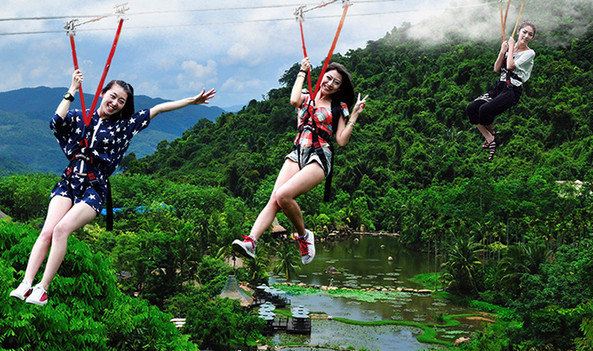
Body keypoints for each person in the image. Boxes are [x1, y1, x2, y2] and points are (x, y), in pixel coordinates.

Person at [9, 69, 216, 305]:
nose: (115, 102)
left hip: (94, 187)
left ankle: (42, 288)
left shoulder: (124, 126)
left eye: (121, 101)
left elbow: (157, 109)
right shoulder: (81, 117)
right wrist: (72, 89)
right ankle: (25, 283)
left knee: (61, 230)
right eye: (113, 96)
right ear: (103, 93)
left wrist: (192, 101)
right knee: (46, 231)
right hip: (69, 180)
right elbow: (55, 122)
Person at [233, 58, 367, 264]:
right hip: (298, 150)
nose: (330, 83)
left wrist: (354, 116)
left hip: (320, 154)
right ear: (322, 76)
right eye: (328, 78)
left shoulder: (338, 107)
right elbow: (294, 101)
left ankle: (304, 236)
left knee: (284, 194)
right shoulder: (306, 96)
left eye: (336, 82)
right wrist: (302, 71)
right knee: (274, 199)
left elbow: (341, 141)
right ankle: (251, 242)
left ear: (340, 87)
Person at [466, 21, 536, 160]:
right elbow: (496, 69)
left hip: (512, 90)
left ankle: (492, 137)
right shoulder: (511, 49)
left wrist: (510, 47)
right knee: (471, 108)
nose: (526, 36)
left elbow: (510, 66)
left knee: (484, 110)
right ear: (518, 32)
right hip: (499, 87)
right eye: (524, 32)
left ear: (532, 38)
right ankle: (490, 137)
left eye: (530, 34)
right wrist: (502, 51)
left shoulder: (529, 53)